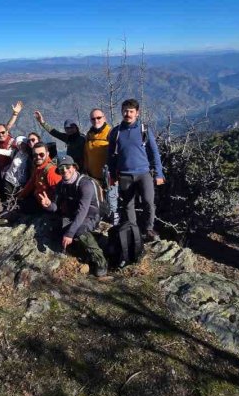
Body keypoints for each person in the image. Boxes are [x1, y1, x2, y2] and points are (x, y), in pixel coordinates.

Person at [40, 156, 110, 277]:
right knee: (56, 227)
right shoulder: (61, 185)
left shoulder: (85, 184)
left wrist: (70, 233)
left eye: (68, 167)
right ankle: (85, 251)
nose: (65, 171)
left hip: (92, 214)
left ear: (74, 167)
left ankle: (101, 262)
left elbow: (83, 211)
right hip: (74, 214)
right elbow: (55, 207)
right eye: (62, 169)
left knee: (79, 230)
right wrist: (48, 205)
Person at [107, 99, 165, 241]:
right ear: (122, 112)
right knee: (128, 204)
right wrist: (112, 174)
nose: (128, 114)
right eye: (125, 111)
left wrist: (159, 173)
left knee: (148, 202)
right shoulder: (116, 132)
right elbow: (111, 155)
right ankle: (133, 230)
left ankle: (149, 229)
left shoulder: (144, 129)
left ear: (137, 113)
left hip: (144, 173)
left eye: (131, 111)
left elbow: (154, 152)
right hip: (125, 174)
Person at [84, 108, 118, 225]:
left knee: (112, 203)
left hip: (109, 177)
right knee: (99, 203)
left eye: (99, 118)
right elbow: (87, 153)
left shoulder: (110, 133)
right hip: (93, 177)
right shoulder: (89, 134)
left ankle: (114, 228)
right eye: (93, 118)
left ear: (104, 118)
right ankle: (101, 225)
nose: (96, 120)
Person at [17, 142, 62, 213]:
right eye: (35, 155)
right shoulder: (39, 167)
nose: (38, 157)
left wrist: (52, 207)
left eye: (41, 154)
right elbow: (30, 184)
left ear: (47, 154)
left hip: (46, 206)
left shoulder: (51, 171)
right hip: (37, 200)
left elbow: (60, 193)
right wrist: (20, 196)